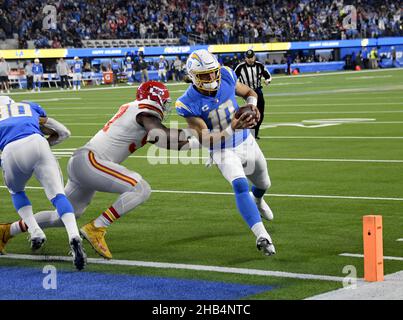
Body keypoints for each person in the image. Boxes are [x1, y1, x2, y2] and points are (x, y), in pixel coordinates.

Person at [0, 81, 199, 260]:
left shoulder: (138, 112)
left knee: (61, 216)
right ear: (154, 99)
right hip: (91, 160)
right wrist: (198, 134)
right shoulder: (144, 110)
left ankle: (9, 230)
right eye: (163, 102)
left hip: (85, 162)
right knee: (140, 189)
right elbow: (161, 133)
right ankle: (97, 227)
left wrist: (198, 143)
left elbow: (165, 141)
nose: (165, 107)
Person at [175, 49, 276, 256]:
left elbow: (250, 93)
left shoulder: (228, 75)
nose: (211, 78)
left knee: (264, 184)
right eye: (205, 75)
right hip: (221, 149)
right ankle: (262, 235)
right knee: (240, 185)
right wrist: (232, 127)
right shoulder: (187, 102)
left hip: (246, 141)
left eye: (213, 72)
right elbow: (204, 138)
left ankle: (257, 200)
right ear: (193, 77)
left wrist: (252, 107)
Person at [0, 95, 86, 270]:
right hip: (37, 141)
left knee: (16, 191)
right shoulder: (27, 106)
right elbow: (60, 130)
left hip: (9, 149)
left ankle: (35, 230)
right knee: (57, 195)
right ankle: (74, 236)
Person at [234, 49, 272, 139]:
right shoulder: (240, 67)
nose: (250, 59)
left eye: (251, 57)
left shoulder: (259, 65)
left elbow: (268, 76)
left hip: (258, 91)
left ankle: (255, 134)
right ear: (245, 58)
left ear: (254, 56)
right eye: (248, 58)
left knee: (261, 113)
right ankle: (248, 134)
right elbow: (233, 78)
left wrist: (267, 81)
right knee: (250, 113)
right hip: (247, 93)